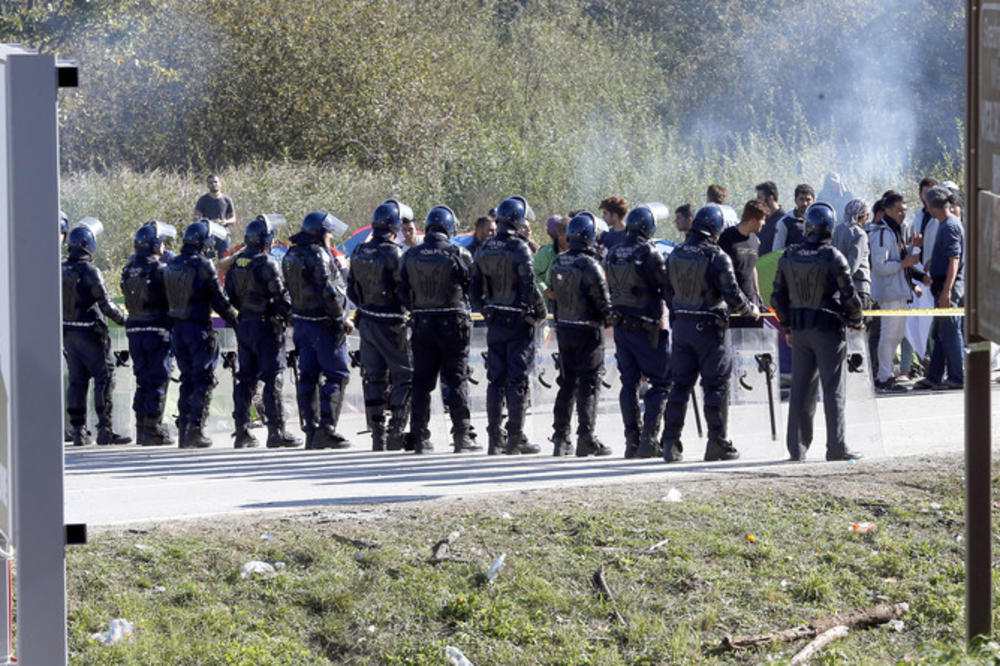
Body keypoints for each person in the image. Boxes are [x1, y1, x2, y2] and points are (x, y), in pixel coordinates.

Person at [660, 204, 757, 462]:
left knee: (679, 385)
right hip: (710, 328)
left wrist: (679, 312)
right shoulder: (717, 256)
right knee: (715, 386)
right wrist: (749, 310)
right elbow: (732, 293)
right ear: (716, 228)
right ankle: (717, 442)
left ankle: (670, 442)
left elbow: (667, 291)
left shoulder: (676, 252)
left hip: (681, 326)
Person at [772, 202, 864, 462]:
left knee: (800, 390)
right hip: (828, 331)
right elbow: (850, 296)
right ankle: (836, 448)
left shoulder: (789, 255)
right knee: (833, 390)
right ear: (830, 228)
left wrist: (788, 326)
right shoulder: (832, 256)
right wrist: (857, 320)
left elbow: (777, 297)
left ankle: (796, 449)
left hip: (800, 332)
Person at [398, 205, 480, 454]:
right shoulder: (458, 253)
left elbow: (401, 289)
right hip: (452, 321)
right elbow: (472, 287)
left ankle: (420, 437)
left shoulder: (411, 255)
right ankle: (461, 436)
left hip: (423, 322)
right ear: (449, 227)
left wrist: (417, 306)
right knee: (456, 381)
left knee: (422, 382)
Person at [470, 195, 547, 455]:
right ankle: (514, 438)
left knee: (496, 380)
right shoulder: (519, 247)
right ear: (517, 220)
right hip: (516, 321)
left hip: (496, 320)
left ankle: (495, 438)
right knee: (517, 380)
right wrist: (540, 311)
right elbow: (529, 285)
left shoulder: (485, 247)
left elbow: (474, 288)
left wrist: (487, 310)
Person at [224, 214, 301, 449]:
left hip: (245, 323)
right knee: (273, 376)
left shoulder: (235, 262)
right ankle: (276, 431)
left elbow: (231, 296)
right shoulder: (267, 262)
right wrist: (291, 317)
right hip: (266, 325)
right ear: (265, 239)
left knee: (245, 378)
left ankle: (242, 431)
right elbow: (278, 297)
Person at [282, 211, 354, 450]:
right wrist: (339, 319)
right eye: (329, 232)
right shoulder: (318, 254)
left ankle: (311, 430)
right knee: (337, 375)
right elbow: (328, 290)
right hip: (324, 324)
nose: (331, 237)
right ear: (320, 233)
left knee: (308, 376)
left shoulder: (291, 254)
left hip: (302, 323)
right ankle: (326, 429)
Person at [165, 220, 238, 448]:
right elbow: (220, 301)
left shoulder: (172, 264)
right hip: (198, 329)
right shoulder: (203, 265)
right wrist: (237, 321)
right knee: (203, 379)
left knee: (187, 379)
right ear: (203, 242)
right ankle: (195, 429)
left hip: (178, 330)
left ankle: (185, 429)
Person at [347, 199, 413, 451]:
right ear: (393, 227)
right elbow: (404, 288)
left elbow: (352, 288)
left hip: (368, 321)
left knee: (373, 377)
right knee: (404, 376)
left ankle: (378, 435)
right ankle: (395, 431)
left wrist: (366, 304)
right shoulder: (394, 252)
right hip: (392, 323)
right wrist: (408, 309)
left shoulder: (359, 251)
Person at [605, 204, 670, 458]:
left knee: (628, 383)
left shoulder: (614, 252)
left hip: (622, 326)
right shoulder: (649, 252)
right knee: (661, 382)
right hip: (646, 327)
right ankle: (648, 440)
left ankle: (632, 441)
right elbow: (665, 287)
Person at [549, 211, 613, 457]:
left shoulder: (558, 261)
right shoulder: (590, 264)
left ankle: (561, 437)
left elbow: (554, 293)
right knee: (589, 384)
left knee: (567, 383)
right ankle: (585, 436)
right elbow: (603, 301)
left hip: (565, 328)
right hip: (587, 331)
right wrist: (612, 319)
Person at [62, 222, 130, 446]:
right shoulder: (90, 271)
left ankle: (79, 431)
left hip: (68, 333)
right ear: (88, 245)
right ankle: (104, 429)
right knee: (104, 377)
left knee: (77, 381)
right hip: (92, 332)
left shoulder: (59, 269)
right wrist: (125, 320)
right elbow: (107, 304)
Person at [121, 221, 174, 446]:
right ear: (154, 245)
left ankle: (142, 426)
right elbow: (170, 298)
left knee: (142, 380)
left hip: (134, 329)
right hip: (156, 329)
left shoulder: (128, 269)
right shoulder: (159, 269)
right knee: (158, 379)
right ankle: (154, 428)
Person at [869, 190, 925, 393]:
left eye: (904, 211)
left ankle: (886, 375)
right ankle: (883, 377)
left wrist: (912, 251)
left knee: (897, 334)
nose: (903, 214)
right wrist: (905, 262)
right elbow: (880, 266)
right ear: (888, 210)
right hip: (889, 292)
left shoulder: (895, 231)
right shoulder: (882, 233)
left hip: (899, 290)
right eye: (899, 210)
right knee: (889, 334)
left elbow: (900, 258)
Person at [914, 186, 965, 390]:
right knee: (941, 333)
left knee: (951, 332)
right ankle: (934, 376)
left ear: (931, 206)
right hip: (943, 285)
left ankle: (956, 377)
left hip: (947, 286)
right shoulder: (947, 224)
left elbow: (954, 259)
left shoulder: (949, 226)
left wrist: (947, 291)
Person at [718, 200, 767, 328]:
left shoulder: (755, 240)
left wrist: (758, 295)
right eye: (762, 219)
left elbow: (753, 267)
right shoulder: (726, 238)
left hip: (753, 305)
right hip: (733, 306)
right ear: (752, 220)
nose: (764, 223)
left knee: (754, 346)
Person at [832, 199, 872, 310]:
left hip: (838, 290)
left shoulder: (837, 230)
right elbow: (852, 266)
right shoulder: (860, 234)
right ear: (864, 216)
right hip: (858, 289)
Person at [194, 174, 236, 257]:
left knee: (226, 260)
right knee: (209, 262)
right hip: (208, 235)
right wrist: (208, 223)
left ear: (220, 183)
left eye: (215, 182)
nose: (213, 184)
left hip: (224, 234)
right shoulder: (203, 200)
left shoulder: (227, 199)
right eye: (210, 183)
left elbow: (233, 219)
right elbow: (196, 219)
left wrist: (225, 221)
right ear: (207, 185)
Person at [772, 184, 816, 252]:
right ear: (795, 200)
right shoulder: (785, 223)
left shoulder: (817, 222)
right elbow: (776, 251)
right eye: (801, 199)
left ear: (813, 201)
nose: (805, 203)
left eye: (808, 200)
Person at [534, 215, 568, 302]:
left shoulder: (575, 253)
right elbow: (533, 274)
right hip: (548, 304)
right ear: (559, 234)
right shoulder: (546, 253)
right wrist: (547, 291)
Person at [754, 182, 784, 255]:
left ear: (771, 198)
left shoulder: (783, 220)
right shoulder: (761, 219)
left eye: (759, 197)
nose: (757, 201)